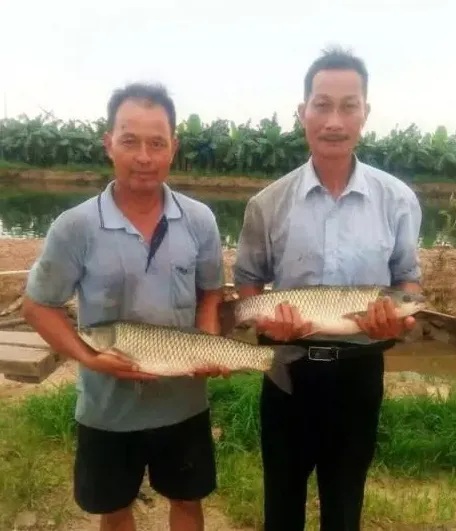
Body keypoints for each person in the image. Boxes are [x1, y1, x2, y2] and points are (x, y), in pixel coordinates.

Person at [22, 82, 228, 531]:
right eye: (130, 141)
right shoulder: (74, 227)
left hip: (184, 402)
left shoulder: (200, 220)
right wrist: (89, 358)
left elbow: (212, 290)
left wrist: (209, 338)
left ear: (173, 147)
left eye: (157, 143)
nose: (144, 156)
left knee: (188, 502)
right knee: (114, 507)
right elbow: (38, 305)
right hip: (106, 408)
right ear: (108, 143)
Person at [233, 47, 422, 531]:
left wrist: (397, 319)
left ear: (365, 113)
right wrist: (261, 323)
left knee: (344, 506)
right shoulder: (266, 204)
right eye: (322, 104)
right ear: (303, 113)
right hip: (286, 370)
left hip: (360, 375)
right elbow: (249, 282)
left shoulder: (398, 200)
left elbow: (407, 279)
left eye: (348, 105)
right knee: (282, 503)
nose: (334, 120)